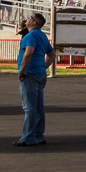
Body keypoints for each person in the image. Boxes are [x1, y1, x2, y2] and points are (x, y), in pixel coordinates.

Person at [14, 14, 55, 147]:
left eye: (30, 18)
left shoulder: (30, 36)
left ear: (34, 22)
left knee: (29, 107)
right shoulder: (42, 35)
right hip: (40, 73)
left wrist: (22, 69)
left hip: (29, 73)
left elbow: (29, 52)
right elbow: (51, 54)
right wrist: (44, 66)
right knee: (38, 107)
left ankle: (28, 137)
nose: (27, 19)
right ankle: (38, 135)